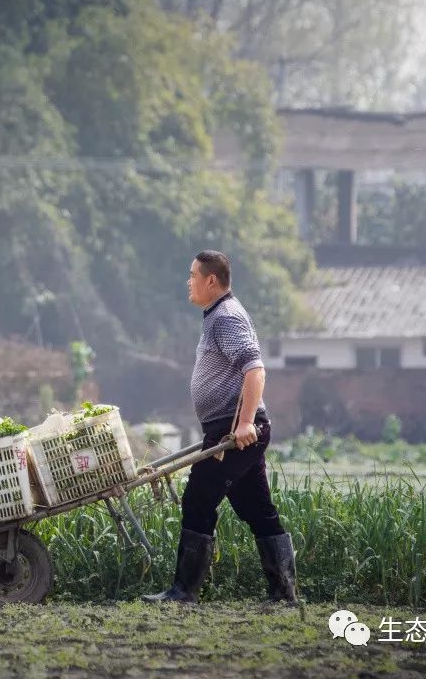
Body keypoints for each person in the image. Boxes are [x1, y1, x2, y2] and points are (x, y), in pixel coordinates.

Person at [143, 251, 297, 605]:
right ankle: (283, 594)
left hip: (237, 433)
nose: (189, 281)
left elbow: (254, 370)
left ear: (211, 280)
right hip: (230, 430)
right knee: (257, 509)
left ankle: (184, 592)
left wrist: (244, 423)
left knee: (198, 497)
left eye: (193, 274)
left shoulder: (226, 317)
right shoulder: (217, 316)